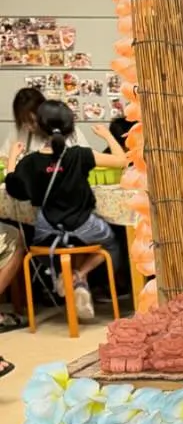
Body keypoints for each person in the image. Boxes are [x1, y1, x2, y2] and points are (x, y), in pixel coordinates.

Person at [4, 99, 127, 323]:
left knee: (39, 250)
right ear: (71, 126)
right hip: (83, 226)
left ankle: (65, 275)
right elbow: (121, 160)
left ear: (39, 128)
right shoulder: (80, 155)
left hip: (47, 230)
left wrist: (13, 156)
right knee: (111, 243)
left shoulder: (31, 162)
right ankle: (79, 276)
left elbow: (14, 189)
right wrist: (107, 136)